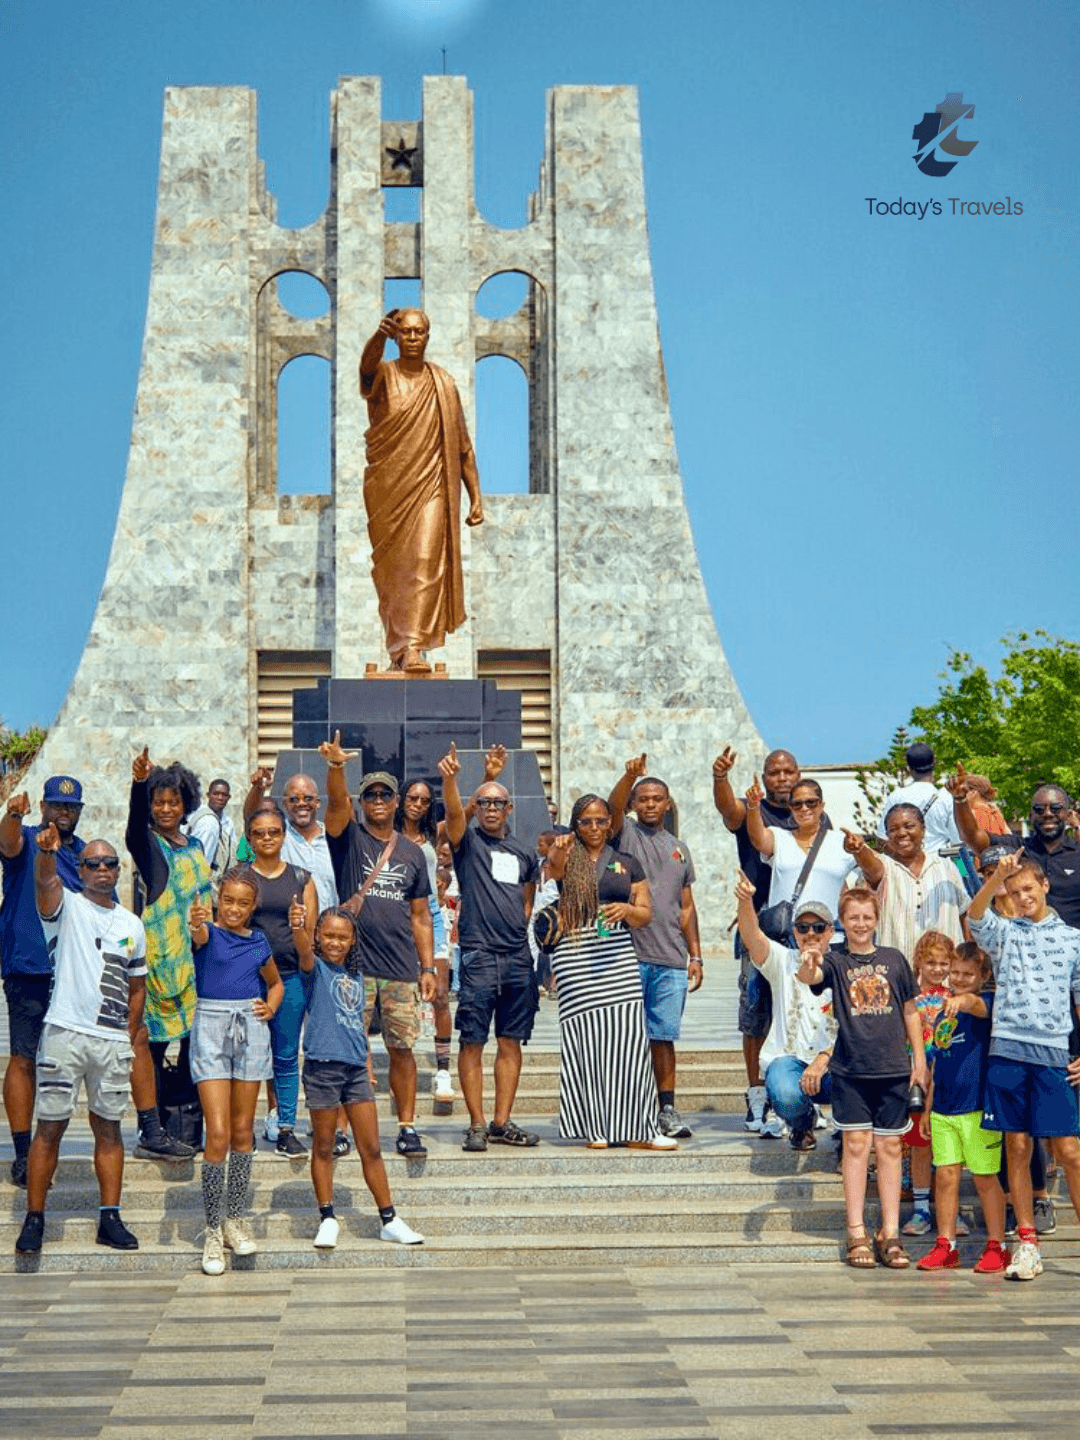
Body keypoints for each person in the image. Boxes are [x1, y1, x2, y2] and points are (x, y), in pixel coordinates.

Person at [15, 827, 145, 1254]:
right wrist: (46, 853)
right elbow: (45, 882)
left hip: (109, 1042)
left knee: (108, 1129)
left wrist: (127, 1035)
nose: (103, 871)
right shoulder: (67, 906)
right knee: (49, 1127)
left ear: (118, 870)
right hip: (66, 1034)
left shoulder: (131, 924)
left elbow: (137, 985)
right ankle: (35, 1218)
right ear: (82, 870)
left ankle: (110, 1216)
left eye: (110, 864)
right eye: (93, 864)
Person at [534, 794, 674, 1151]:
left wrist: (626, 909)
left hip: (617, 953)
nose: (594, 828)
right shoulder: (567, 853)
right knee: (586, 1041)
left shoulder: (628, 862)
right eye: (585, 821)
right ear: (575, 824)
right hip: (576, 952)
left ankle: (641, 1126)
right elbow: (554, 869)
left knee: (629, 1040)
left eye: (600, 821)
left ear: (611, 824)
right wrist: (561, 847)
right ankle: (596, 1125)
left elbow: (646, 913)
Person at [796, 887, 926, 1269]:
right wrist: (810, 959)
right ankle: (856, 1230)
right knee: (855, 1146)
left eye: (867, 917)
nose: (861, 924)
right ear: (842, 922)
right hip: (852, 1069)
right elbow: (810, 976)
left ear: (876, 919)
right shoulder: (835, 960)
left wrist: (918, 1059)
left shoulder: (894, 960)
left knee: (888, 1149)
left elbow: (911, 1012)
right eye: (853, 918)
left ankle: (890, 1231)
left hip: (893, 1068)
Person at [320, 733, 436, 1158]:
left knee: (402, 1050)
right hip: (354, 966)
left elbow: (421, 916)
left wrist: (428, 968)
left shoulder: (412, 853)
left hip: (401, 967)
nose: (380, 800)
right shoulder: (348, 838)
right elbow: (334, 805)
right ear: (363, 801)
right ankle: (346, 1128)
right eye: (371, 794)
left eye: (387, 793)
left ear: (397, 799)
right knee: (350, 1049)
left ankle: (406, 1126)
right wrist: (336, 769)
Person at [967, 850, 1080, 1281]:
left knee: (1069, 1150)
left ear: (1045, 887)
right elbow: (975, 914)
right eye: (1015, 892)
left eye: (1028, 889)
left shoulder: (1073, 940)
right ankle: (1027, 1242)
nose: (1022, 897)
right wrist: (997, 877)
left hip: (1052, 1055)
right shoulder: (1003, 933)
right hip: (1008, 1051)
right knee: (1016, 1146)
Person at [359, 308, 484, 671]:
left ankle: (413, 646)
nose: (413, 338)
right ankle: (398, 649)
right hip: (388, 490)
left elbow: (462, 447)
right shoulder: (384, 374)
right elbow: (366, 370)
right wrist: (378, 338)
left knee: (427, 561)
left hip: (431, 487)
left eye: (419, 332)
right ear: (397, 338)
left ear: (427, 337)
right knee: (394, 571)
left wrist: (475, 497)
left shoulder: (442, 383)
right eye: (406, 332)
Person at [300, 906, 423, 1248]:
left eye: (343, 936)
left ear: (353, 940)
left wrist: (367, 1065)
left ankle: (389, 1218)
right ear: (318, 938)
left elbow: (357, 1024)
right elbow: (301, 948)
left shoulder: (357, 974)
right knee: (324, 1146)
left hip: (354, 1068)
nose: (335, 943)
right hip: (322, 1066)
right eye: (328, 936)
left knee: (370, 1147)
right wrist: (300, 926)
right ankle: (327, 1217)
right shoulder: (315, 968)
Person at [438, 741, 541, 1151]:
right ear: (477, 808)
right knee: (472, 1040)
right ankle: (477, 1123)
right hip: (480, 956)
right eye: (485, 803)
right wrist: (459, 781)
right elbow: (451, 819)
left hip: (517, 957)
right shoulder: (468, 843)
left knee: (511, 1040)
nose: (492, 809)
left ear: (510, 809)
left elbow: (527, 899)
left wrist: (517, 925)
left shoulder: (524, 852)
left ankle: (501, 1121)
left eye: (499, 803)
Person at [187, 871, 283, 1275]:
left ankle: (235, 1218)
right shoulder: (207, 932)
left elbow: (275, 983)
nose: (234, 909)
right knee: (220, 1132)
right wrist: (196, 921)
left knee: (244, 1132)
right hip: (211, 1027)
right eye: (228, 900)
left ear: (253, 906)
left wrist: (271, 1006)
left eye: (243, 903)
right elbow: (198, 935)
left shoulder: (259, 941)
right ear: (218, 900)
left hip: (250, 1026)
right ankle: (211, 1229)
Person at [712, 746, 809, 1136]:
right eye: (774, 772)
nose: (782, 778)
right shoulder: (753, 808)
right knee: (755, 1015)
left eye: (789, 771)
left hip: (804, 933)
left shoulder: (812, 813)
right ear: (765, 777)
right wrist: (721, 778)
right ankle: (756, 1095)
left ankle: (801, 1092)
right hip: (759, 928)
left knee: (804, 1010)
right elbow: (729, 811)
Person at [608, 755, 704, 1139]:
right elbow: (612, 810)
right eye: (642, 798)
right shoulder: (626, 835)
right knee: (625, 1038)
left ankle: (666, 1109)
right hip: (628, 957)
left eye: (656, 798)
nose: (649, 804)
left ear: (668, 804)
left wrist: (694, 953)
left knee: (663, 1038)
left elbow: (686, 906)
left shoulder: (680, 849)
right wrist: (629, 776)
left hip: (670, 960)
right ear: (634, 805)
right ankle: (625, 1110)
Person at [1, 778, 87, 1187]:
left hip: (72, 974)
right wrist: (12, 815)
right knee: (22, 1057)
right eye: (56, 805)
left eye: (71, 807)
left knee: (62, 1066)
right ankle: (21, 1154)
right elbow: (7, 844)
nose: (63, 813)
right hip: (28, 967)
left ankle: (45, 1149)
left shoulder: (87, 855)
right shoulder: (28, 838)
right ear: (43, 806)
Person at [125, 746, 210, 1161]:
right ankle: (153, 1128)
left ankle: (192, 1128)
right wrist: (138, 784)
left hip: (195, 962)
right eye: (158, 801)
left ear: (185, 802)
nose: (165, 808)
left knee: (196, 1047)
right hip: (157, 965)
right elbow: (131, 831)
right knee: (153, 1047)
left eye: (172, 801)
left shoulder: (194, 846)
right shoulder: (149, 844)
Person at [916, 942, 1010, 1273]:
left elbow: (973, 1002)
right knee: (945, 1176)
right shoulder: (943, 1011)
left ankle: (997, 1245)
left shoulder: (985, 1003)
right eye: (955, 973)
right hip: (944, 1108)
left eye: (968, 974)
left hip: (977, 1108)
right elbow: (937, 1062)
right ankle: (946, 1245)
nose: (959, 979)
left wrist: (961, 999)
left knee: (985, 1176)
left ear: (984, 976)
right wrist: (928, 1108)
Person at [979, 845, 1056, 1237]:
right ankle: (1016, 1209)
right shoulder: (997, 921)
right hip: (1000, 1030)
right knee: (1014, 1135)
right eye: (991, 871)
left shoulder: (1060, 932)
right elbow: (974, 924)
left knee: (1048, 1136)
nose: (1017, 894)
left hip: (1048, 1036)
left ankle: (1039, 1198)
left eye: (1004, 868)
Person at [734, 875, 836, 1151]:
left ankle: (846, 1129)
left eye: (818, 927)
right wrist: (745, 902)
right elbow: (752, 937)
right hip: (789, 1059)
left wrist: (822, 1060)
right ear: (794, 932)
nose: (811, 934)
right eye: (803, 928)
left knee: (861, 1078)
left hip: (834, 1063)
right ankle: (802, 1123)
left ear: (830, 931)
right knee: (785, 1093)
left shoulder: (843, 965)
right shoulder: (783, 960)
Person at [239, 800, 318, 1158]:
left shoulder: (301, 878)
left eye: (274, 832)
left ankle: (286, 1127)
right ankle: (243, 1131)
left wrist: (299, 926)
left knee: (286, 1056)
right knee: (244, 1057)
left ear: (284, 836)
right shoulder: (240, 877)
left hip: (289, 979)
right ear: (249, 838)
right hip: (244, 982)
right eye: (259, 833)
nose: (267, 838)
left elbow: (310, 940)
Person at [952, 774, 1080, 929]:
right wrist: (960, 801)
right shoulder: (1017, 849)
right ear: (1030, 815)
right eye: (1039, 809)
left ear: (1068, 814)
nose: (1047, 814)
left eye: (1055, 808)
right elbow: (973, 838)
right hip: (1024, 947)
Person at [845, 805, 968, 960]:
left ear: (923, 829)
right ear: (887, 835)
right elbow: (870, 868)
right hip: (897, 975)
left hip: (945, 974)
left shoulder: (947, 866)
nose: (902, 833)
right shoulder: (885, 867)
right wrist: (859, 850)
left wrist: (967, 959)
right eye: (894, 829)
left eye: (909, 826)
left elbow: (965, 915)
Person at [395, 777, 453, 1103]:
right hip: (396, 911)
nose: (418, 804)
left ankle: (443, 1070)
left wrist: (482, 778)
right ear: (402, 799)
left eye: (425, 800)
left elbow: (465, 814)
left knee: (440, 993)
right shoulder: (385, 833)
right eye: (412, 798)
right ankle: (400, 1065)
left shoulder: (432, 834)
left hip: (429, 911)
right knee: (399, 997)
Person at [899, 931, 956, 1237]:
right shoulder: (909, 999)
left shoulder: (953, 999)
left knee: (950, 1149)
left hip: (948, 1080)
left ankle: (952, 1208)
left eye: (943, 963)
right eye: (931, 962)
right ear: (919, 961)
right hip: (917, 1079)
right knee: (920, 1145)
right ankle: (921, 1208)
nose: (937, 969)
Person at [244, 768, 339, 916]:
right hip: (290, 933)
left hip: (328, 933)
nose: (301, 804)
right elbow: (252, 818)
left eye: (308, 798)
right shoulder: (278, 835)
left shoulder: (334, 839)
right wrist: (258, 789)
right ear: (284, 804)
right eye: (294, 799)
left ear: (318, 802)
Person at [875, 742, 960, 856]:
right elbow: (958, 840)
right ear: (934, 764)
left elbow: (882, 838)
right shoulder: (946, 798)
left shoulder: (896, 796)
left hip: (904, 867)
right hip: (937, 864)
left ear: (908, 768)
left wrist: (902, 856)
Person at [186, 778, 239, 900]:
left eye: (224, 795)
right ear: (208, 795)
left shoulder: (228, 822)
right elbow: (199, 860)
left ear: (229, 798)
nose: (220, 798)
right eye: (216, 794)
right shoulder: (206, 821)